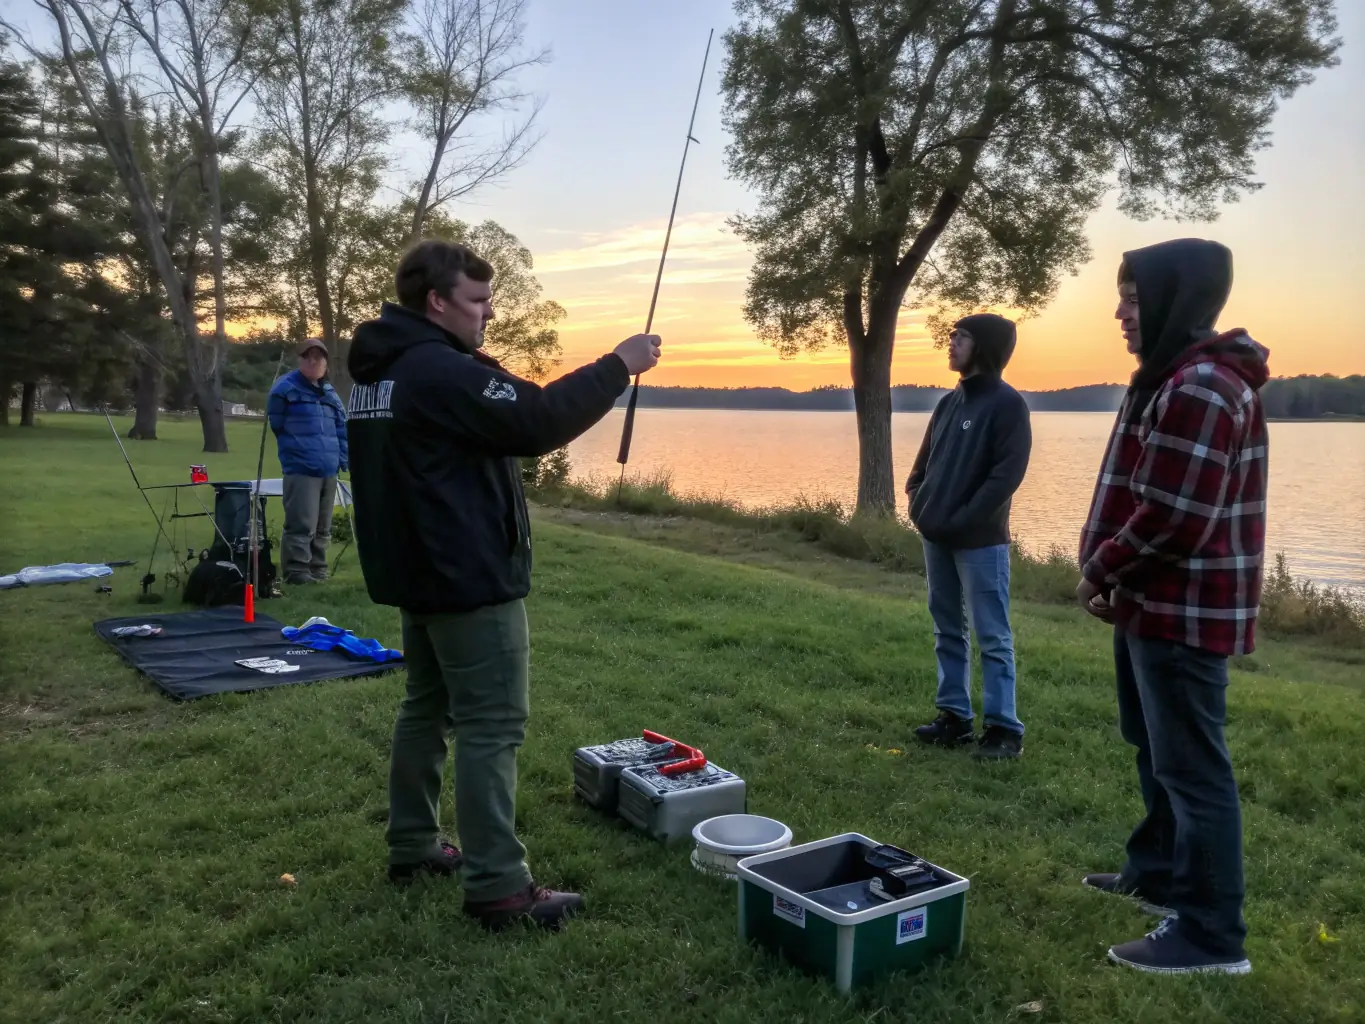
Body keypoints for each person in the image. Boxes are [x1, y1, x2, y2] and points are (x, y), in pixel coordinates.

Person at [344, 239, 661, 933]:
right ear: (437, 301)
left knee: (425, 710)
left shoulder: (380, 373)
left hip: (417, 576)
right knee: (491, 726)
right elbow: (537, 420)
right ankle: (498, 887)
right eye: (479, 302)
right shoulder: (436, 369)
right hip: (465, 580)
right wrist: (618, 366)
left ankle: (414, 845)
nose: (487, 315)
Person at [1077, 238, 1268, 975]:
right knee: (1154, 750)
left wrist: (1099, 569)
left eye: (1132, 296)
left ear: (1175, 297)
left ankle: (1211, 937)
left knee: (1192, 769)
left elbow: (1173, 517)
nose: (1121, 312)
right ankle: (1156, 878)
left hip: (1182, 613)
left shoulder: (1200, 388)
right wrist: (1115, 582)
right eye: (1120, 296)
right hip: (1147, 606)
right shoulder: (1168, 378)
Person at [904, 313, 1031, 760]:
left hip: (981, 542)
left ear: (987, 347)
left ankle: (1003, 730)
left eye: (962, 336)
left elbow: (1005, 477)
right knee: (946, 628)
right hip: (935, 535)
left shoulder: (1007, 404)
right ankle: (954, 717)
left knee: (992, 635)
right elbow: (922, 467)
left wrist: (962, 519)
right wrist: (918, 503)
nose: (952, 341)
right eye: (953, 334)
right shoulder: (948, 403)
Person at [267, 339, 348, 585]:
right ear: (300, 359)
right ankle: (297, 573)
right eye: (308, 357)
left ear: (325, 362)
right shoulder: (284, 389)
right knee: (301, 524)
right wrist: (297, 452)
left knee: (323, 526)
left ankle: (318, 570)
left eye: (319, 357)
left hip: (328, 468)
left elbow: (341, 429)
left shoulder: (330, 393)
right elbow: (277, 425)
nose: (314, 361)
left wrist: (342, 459)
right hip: (301, 468)